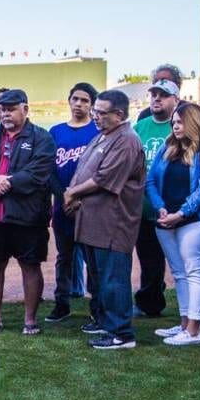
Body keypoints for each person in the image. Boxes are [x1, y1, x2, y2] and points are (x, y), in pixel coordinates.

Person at [64, 90, 145, 349]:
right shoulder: (104, 135)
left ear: (119, 115)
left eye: (100, 112)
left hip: (113, 223)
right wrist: (74, 196)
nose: (94, 115)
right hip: (93, 221)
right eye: (95, 110)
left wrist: (72, 192)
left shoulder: (127, 140)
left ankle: (121, 333)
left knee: (113, 278)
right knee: (99, 277)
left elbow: (104, 179)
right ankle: (103, 320)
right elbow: (85, 170)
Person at [0, 89, 55, 336]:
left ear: (25, 109)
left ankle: (30, 319)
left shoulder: (42, 137)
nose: (5, 113)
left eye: (10, 108)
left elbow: (38, 172)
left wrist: (3, 184)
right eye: (1, 109)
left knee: (30, 265)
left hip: (28, 217)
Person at [145, 103, 200, 345]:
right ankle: (183, 324)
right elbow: (150, 181)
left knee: (195, 271)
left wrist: (180, 213)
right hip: (166, 219)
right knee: (179, 274)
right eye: (174, 123)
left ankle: (194, 331)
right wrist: (161, 208)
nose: (175, 126)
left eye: (179, 122)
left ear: (193, 122)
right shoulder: (167, 147)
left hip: (194, 221)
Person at [45, 83, 99, 323]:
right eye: (75, 98)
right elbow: (48, 170)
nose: (79, 104)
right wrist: (64, 195)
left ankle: (97, 305)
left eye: (84, 100)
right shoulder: (55, 131)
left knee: (92, 257)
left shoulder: (97, 131)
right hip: (62, 205)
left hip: (89, 206)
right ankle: (62, 302)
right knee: (64, 256)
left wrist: (77, 196)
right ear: (69, 101)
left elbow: (100, 170)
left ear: (92, 105)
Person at [133, 78, 180, 317]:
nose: (156, 99)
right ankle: (149, 304)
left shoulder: (180, 127)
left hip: (175, 208)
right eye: (153, 95)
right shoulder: (140, 127)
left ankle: (198, 310)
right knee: (149, 260)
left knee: (185, 262)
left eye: (163, 95)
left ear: (176, 100)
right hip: (144, 208)